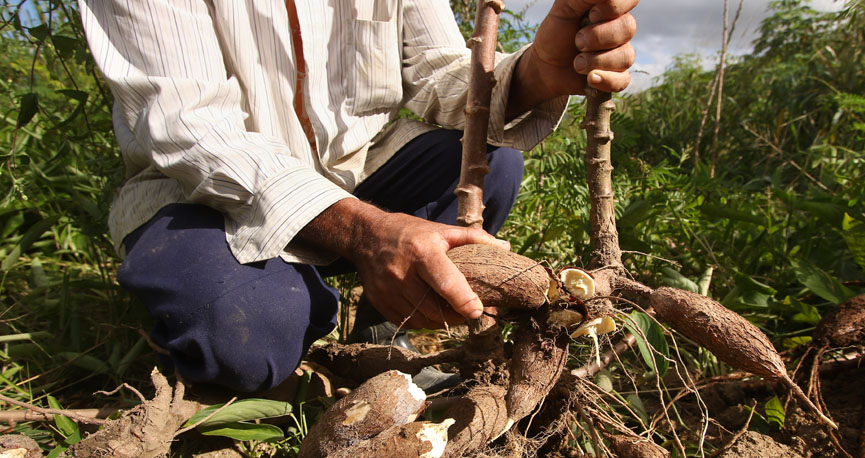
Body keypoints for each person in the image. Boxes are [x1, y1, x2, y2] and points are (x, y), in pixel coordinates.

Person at [78, 0, 638, 393]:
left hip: (357, 174)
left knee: (494, 165)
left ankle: (382, 326)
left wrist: (538, 73)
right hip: (204, 196)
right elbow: (191, 128)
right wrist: (364, 232)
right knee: (251, 337)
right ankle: (274, 311)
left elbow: (442, 77)